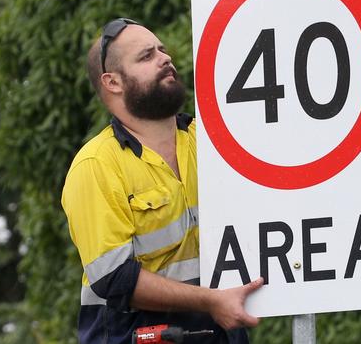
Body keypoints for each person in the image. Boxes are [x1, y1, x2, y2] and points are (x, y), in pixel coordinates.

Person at [61, 18, 263, 343]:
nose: (164, 58)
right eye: (146, 56)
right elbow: (114, 278)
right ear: (113, 82)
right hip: (135, 336)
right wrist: (212, 300)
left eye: (162, 50)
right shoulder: (96, 164)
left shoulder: (211, 140)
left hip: (219, 331)